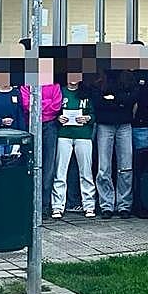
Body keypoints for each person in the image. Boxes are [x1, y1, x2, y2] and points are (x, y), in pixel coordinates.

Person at [93, 68, 136, 218]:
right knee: (104, 167)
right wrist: (119, 102)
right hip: (104, 125)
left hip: (124, 124)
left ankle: (124, 205)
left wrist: (113, 99)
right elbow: (98, 103)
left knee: (126, 166)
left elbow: (132, 99)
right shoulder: (100, 78)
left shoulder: (128, 77)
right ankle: (106, 205)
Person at [53, 71, 96, 219]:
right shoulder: (60, 91)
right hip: (64, 135)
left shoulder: (87, 93)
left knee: (86, 172)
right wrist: (59, 118)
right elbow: (54, 111)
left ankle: (89, 205)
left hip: (83, 135)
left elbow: (95, 114)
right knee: (60, 171)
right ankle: (57, 206)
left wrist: (88, 118)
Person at [21, 81, 61, 218]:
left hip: (50, 126)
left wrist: (38, 103)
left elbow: (56, 106)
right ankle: (29, 204)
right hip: (30, 125)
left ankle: (44, 206)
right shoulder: (26, 84)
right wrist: (46, 103)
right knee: (30, 165)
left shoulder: (54, 85)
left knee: (48, 166)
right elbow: (27, 105)